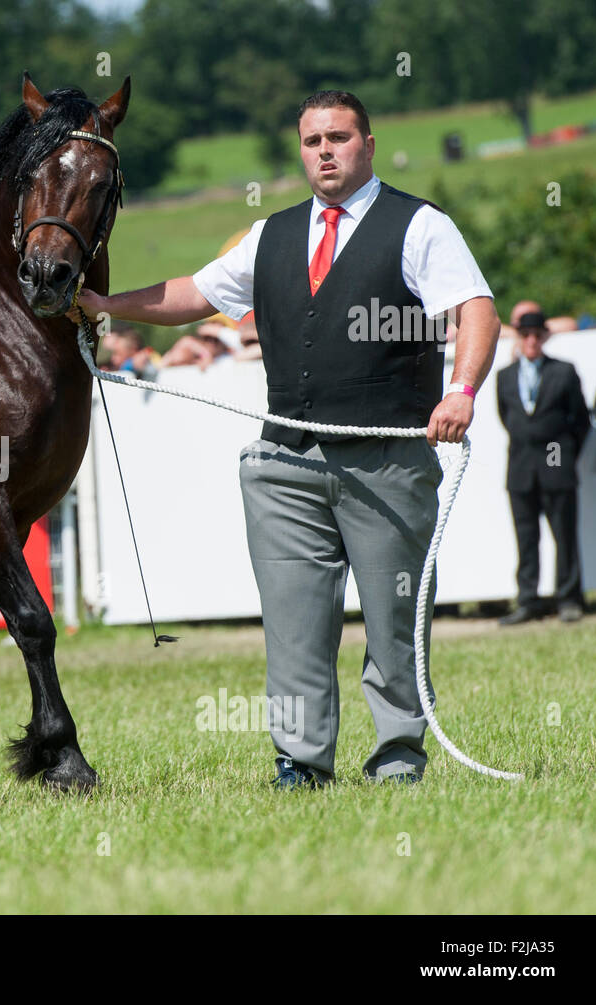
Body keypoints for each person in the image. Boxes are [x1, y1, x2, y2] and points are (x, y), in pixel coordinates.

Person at [70, 89, 500, 788]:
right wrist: (107, 305)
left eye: (338, 137)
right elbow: (195, 294)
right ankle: (300, 764)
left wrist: (464, 389)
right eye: (311, 141)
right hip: (284, 463)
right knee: (294, 626)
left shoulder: (419, 226)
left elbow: (476, 309)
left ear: (368, 142)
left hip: (386, 459)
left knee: (394, 621)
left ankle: (397, 758)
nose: (325, 151)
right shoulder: (269, 234)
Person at [496, 309, 590, 624]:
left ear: (545, 337)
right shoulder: (505, 376)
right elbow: (508, 418)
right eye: (526, 335)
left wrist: (561, 454)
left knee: (563, 533)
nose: (532, 341)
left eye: (537, 335)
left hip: (554, 460)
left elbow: (579, 421)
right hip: (521, 467)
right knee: (526, 538)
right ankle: (528, 599)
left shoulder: (563, 372)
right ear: (519, 338)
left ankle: (568, 597)